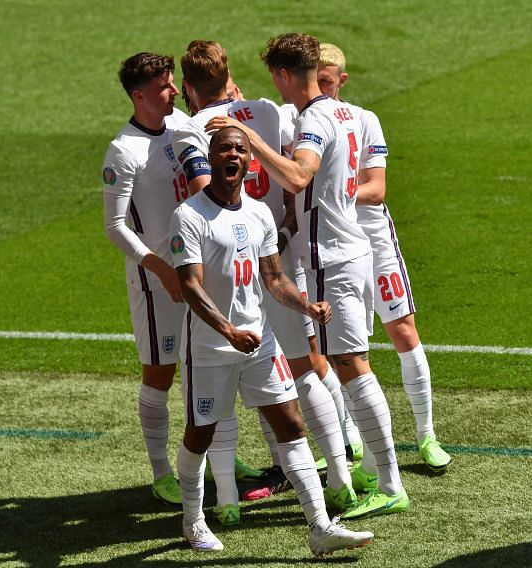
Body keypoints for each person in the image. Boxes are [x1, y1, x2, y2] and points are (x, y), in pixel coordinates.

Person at [206, 32, 408, 520]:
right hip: (347, 250)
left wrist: (249, 137)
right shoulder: (341, 112)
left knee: (352, 367)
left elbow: (298, 176)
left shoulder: (315, 118)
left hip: (334, 259)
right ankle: (373, 473)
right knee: (344, 365)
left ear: (281, 75)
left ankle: (389, 482)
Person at [169, 125, 374, 555]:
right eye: (224, 148)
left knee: (291, 424)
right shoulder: (189, 216)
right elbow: (189, 285)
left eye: (240, 150)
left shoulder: (260, 213)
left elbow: (274, 278)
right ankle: (193, 521)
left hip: (259, 343)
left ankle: (320, 527)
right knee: (200, 435)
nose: (233, 155)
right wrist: (227, 330)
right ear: (213, 158)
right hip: (211, 350)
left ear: (249, 161)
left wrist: (306, 307)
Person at [173, 40, 357, 511]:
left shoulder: (192, 128)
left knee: (227, 393)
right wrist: (290, 213)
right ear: (230, 74)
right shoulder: (270, 111)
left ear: (189, 88)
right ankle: (340, 473)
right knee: (304, 370)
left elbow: (209, 194)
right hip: (279, 251)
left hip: (232, 266)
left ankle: (226, 499)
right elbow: (295, 167)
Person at [101, 52, 259, 509]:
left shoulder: (183, 128)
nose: (175, 92)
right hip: (156, 283)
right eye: (165, 87)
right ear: (139, 95)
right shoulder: (123, 150)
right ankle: (161, 473)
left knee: (206, 366)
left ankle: (218, 455)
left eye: (174, 84)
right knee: (161, 373)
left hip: (196, 272)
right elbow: (115, 227)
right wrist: (158, 267)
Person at [316, 44, 452, 490]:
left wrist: (332, 189)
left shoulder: (364, 118)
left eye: (329, 80)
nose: (322, 87)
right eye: (315, 79)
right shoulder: (303, 121)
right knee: (339, 349)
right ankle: (355, 441)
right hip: (331, 244)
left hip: (372, 236)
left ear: (342, 80)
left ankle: (427, 435)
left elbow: (375, 189)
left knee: (404, 330)